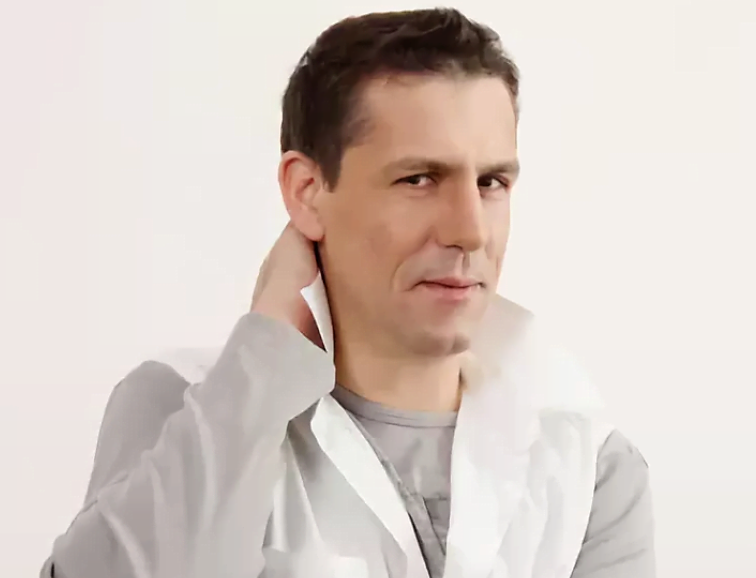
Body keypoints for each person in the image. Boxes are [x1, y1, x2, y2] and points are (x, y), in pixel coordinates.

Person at [41, 8, 655, 578]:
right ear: (306, 191)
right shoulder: (184, 405)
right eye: (419, 179)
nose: (470, 231)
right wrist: (265, 354)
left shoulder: (587, 466)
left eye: (492, 182)